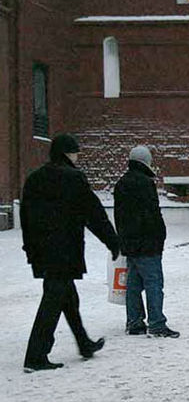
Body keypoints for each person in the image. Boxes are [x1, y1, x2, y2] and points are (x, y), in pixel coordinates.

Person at [20, 134, 120, 371]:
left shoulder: (34, 179)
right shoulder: (74, 179)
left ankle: (84, 343)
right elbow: (94, 214)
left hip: (42, 252)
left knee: (67, 298)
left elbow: (25, 217)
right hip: (64, 251)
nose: (77, 157)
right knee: (53, 301)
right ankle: (35, 356)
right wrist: (113, 242)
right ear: (67, 153)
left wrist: (30, 248)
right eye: (75, 152)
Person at [113, 146, 178, 338]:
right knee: (153, 282)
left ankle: (134, 322)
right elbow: (152, 214)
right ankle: (157, 323)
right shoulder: (145, 183)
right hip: (148, 243)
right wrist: (160, 236)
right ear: (146, 161)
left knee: (133, 284)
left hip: (129, 243)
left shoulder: (121, 183)